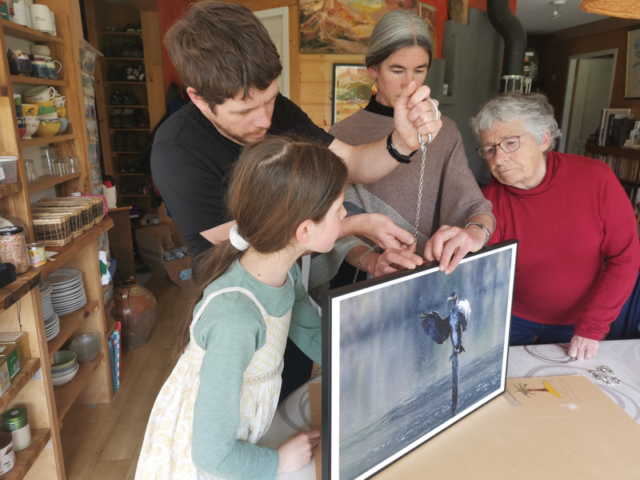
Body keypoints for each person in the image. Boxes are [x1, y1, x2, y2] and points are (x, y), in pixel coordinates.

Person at [152, 1, 442, 262]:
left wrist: (403, 142)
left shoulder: (279, 111)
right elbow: (247, 241)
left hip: (287, 282)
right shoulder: (176, 152)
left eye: (270, 99)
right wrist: (356, 224)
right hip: (235, 297)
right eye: (244, 112)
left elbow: (351, 162)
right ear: (199, 98)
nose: (265, 121)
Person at [136, 137, 349, 479]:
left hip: (243, 439)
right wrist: (277, 462)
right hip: (211, 461)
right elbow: (211, 456)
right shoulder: (236, 317)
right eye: (340, 208)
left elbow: (313, 333)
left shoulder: (286, 273)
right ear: (305, 230)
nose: (345, 214)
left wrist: (358, 362)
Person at [327, 10, 495, 282]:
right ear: (373, 69)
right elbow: (328, 227)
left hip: (426, 278)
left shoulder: (443, 131)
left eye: (420, 70)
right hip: (358, 282)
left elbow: (475, 208)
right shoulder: (341, 135)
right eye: (397, 70)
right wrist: (372, 260)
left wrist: (476, 232)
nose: (410, 84)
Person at [471, 92, 640, 360]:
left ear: (544, 139)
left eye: (510, 143)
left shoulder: (596, 179)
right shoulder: (486, 202)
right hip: (508, 317)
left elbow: (626, 256)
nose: (498, 159)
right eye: (490, 149)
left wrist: (593, 325)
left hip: (580, 321)